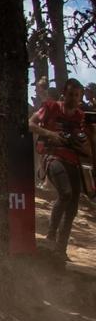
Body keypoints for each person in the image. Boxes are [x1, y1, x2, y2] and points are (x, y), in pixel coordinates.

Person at [29, 78, 96, 261]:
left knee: (73, 207)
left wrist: (86, 140)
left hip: (73, 162)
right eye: (70, 94)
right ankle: (51, 236)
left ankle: (61, 249)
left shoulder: (82, 117)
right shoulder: (51, 107)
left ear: (80, 96)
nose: (73, 98)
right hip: (53, 157)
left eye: (76, 95)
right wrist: (50, 134)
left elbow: (88, 147)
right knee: (65, 194)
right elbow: (31, 124)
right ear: (64, 94)